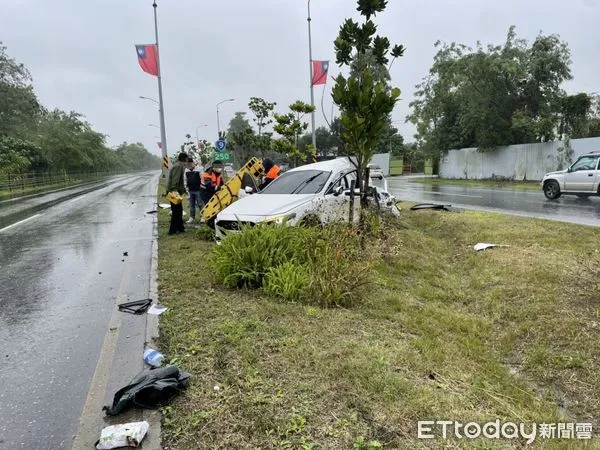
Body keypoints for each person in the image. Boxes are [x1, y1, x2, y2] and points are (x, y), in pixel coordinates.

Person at [167, 152, 188, 235]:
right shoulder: (178, 166)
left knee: (179, 210)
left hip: (176, 191)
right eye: (187, 159)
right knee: (176, 211)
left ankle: (180, 228)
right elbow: (175, 179)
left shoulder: (178, 165)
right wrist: (175, 190)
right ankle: (172, 230)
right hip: (174, 192)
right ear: (185, 159)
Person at [184, 157, 203, 224]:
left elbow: (202, 180)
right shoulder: (186, 170)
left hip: (198, 190)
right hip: (190, 190)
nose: (188, 166)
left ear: (193, 163)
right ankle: (192, 217)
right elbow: (185, 180)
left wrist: (201, 188)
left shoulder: (199, 169)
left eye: (189, 164)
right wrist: (186, 190)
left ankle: (202, 217)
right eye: (187, 164)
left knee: (200, 204)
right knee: (191, 205)